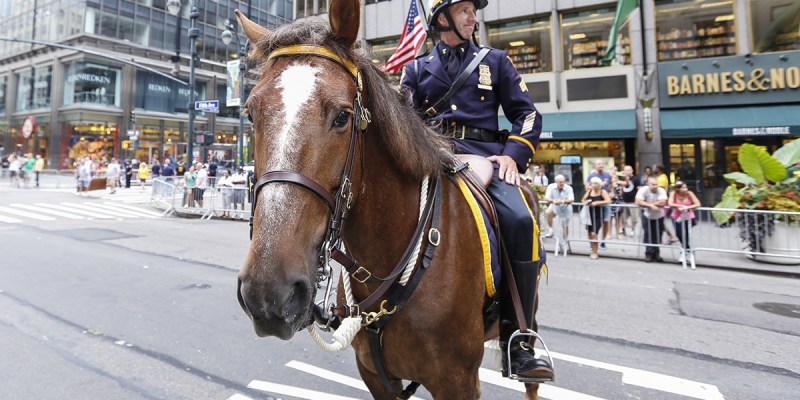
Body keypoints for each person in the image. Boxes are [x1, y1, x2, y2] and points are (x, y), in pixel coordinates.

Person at [401, 0, 552, 381]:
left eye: (473, 10)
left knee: (520, 220)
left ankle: (519, 337)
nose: (473, 17)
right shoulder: (416, 68)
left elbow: (527, 113)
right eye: (465, 9)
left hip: (488, 157)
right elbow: (402, 120)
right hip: (431, 158)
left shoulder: (495, 60)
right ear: (442, 18)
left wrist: (514, 155)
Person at [636, 177, 668, 263]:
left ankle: (656, 253)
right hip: (647, 215)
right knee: (648, 234)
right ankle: (648, 253)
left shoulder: (661, 190)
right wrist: (651, 206)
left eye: (656, 184)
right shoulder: (643, 190)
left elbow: (663, 201)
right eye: (653, 184)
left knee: (658, 235)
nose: (655, 186)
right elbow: (638, 201)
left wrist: (649, 204)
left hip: (659, 216)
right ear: (648, 185)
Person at [668, 181, 701, 264]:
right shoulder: (674, 193)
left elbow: (697, 204)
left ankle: (684, 253)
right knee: (679, 234)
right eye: (683, 187)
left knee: (686, 235)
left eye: (686, 187)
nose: (685, 189)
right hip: (676, 216)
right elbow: (670, 203)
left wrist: (687, 207)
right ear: (678, 189)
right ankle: (687, 251)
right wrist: (680, 206)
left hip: (687, 215)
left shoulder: (689, 193)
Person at [582, 177, 611, 260]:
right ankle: (593, 249)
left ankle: (595, 252)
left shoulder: (603, 192)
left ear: (599, 185)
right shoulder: (589, 191)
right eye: (592, 183)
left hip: (599, 215)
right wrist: (586, 202)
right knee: (589, 233)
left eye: (595, 184)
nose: (593, 185)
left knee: (594, 233)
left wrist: (597, 203)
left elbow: (608, 200)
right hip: (589, 215)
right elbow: (583, 199)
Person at [586, 159, 612, 250]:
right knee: (592, 224)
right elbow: (587, 187)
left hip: (605, 202)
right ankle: (592, 244)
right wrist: (596, 186)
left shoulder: (607, 175)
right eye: (599, 164)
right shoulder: (592, 175)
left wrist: (612, 193)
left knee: (606, 221)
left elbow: (611, 185)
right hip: (595, 202)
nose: (601, 165)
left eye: (602, 164)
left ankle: (603, 242)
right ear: (595, 166)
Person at [653, 164, 678, 243]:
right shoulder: (660, 177)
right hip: (661, 202)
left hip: (662, 202)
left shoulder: (661, 178)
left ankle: (670, 236)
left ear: (658, 169)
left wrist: (656, 201)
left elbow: (661, 190)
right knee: (659, 221)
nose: (653, 169)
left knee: (659, 221)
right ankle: (667, 237)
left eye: (654, 168)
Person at [543, 174, 574, 239]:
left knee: (565, 226)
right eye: (560, 182)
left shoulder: (569, 188)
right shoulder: (551, 186)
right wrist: (554, 200)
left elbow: (571, 199)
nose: (562, 183)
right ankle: (551, 230)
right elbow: (546, 198)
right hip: (555, 206)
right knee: (548, 212)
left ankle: (565, 242)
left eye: (563, 182)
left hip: (566, 209)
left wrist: (562, 201)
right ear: (556, 182)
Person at [608, 166, 626, 240]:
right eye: (613, 170)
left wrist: (624, 176)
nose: (615, 171)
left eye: (616, 170)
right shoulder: (608, 178)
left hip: (618, 200)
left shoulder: (617, 179)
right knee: (610, 218)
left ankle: (618, 234)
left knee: (618, 219)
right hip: (611, 201)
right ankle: (609, 234)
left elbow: (625, 183)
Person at [620, 165, 639, 236]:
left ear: (632, 171)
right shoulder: (622, 179)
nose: (627, 172)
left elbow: (639, 189)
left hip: (633, 202)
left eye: (629, 170)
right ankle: (623, 229)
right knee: (623, 217)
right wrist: (621, 174)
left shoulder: (636, 179)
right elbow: (614, 173)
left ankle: (633, 230)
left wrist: (638, 200)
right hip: (624, 201)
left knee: (634, 218)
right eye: (626, 170)